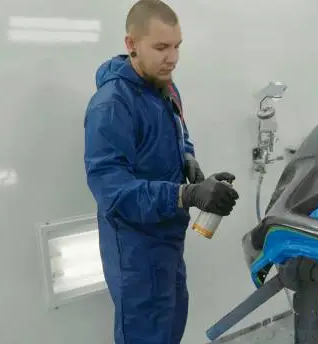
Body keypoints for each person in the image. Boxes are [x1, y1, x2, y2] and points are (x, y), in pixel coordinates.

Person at [83, 1, 240, 343]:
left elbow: (180, 135)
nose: (172, 58)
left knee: (170, 328)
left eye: (177, 46)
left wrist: (189, 161)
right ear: (131, 45)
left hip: (168, 239)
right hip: (136, 251)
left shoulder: (166, 87)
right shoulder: (112, 106)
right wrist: (185, 194)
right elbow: (113, 190)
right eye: (161, 47)